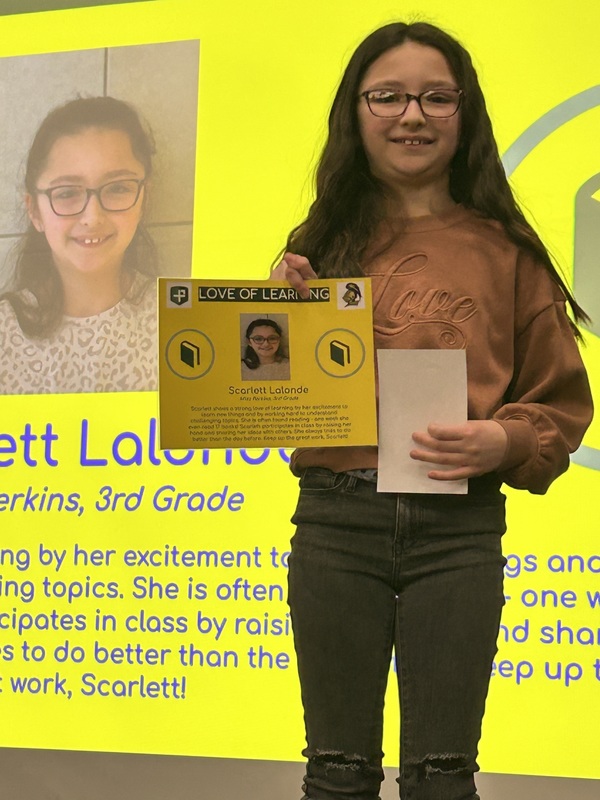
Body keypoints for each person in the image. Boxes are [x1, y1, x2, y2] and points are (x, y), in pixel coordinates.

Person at [270, 21, 593, 800]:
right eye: (387, 96)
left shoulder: (508, 248)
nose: (411, 115)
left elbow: (561, 402)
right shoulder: (315, 247)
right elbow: (279, 400)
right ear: (355, 112)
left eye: (435, 98)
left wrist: (504, 440)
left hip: (460, 532)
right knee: (336, 773)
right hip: (335, 525)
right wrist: (272, 329)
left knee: (443, 778)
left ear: (465, 113)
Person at [0, 96, 158, 395]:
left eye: (118, 188)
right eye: (67, 193)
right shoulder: (3, 334)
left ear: (144, 198)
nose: (92, 217)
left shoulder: (182, 320)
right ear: (34, 210)